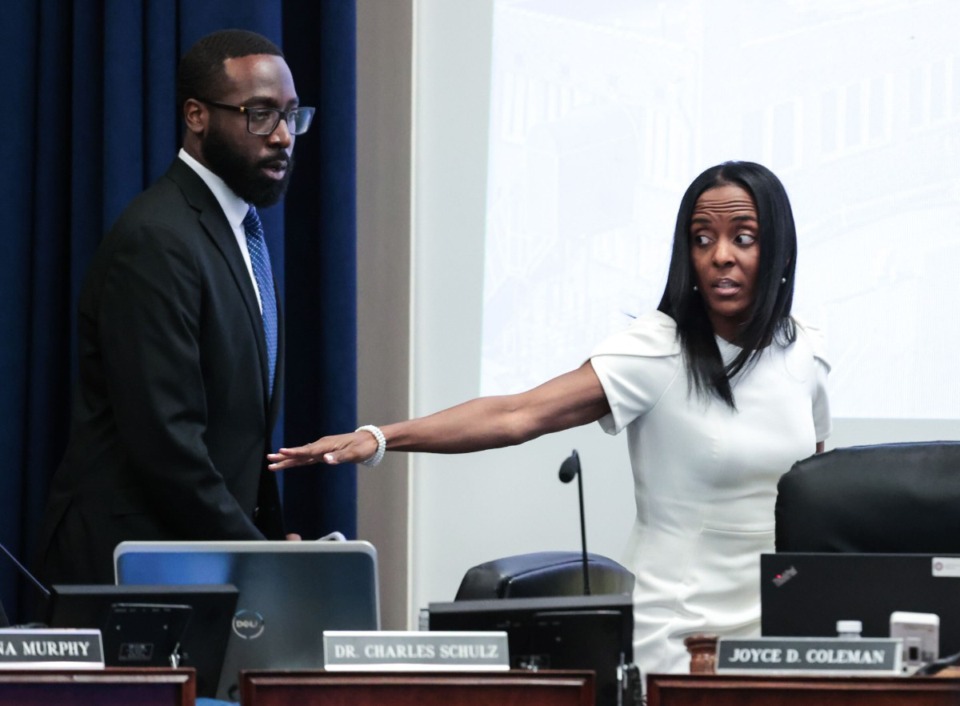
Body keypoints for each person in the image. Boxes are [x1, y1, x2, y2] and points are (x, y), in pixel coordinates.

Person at [268, 161, 831, 677]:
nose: (721, 256)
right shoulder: (659, 351)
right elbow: (517, 414)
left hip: (776, 627)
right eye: (702, 239)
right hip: (678, 631)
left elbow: (817, 489)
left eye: (744, 238)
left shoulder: (803, 351)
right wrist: (380, 436)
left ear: (779, 250)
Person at [33, 29, 313, 588]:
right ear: (196, 115)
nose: (283, 136)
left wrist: (264, 538)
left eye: (291, 115)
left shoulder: (237, 229)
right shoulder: (158, 238)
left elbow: (237, 433)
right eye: (260, 114)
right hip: (133, 569)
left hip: (198, 556)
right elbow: (167, 443)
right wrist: (260, 560)